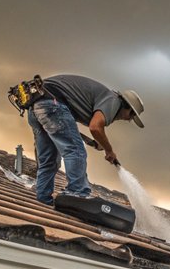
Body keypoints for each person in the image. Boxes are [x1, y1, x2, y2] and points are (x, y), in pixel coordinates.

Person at [27, 74, 144, 206]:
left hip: (36, 105)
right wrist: (109, 150)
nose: (128, 119)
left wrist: (99, 142)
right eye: (131, 116)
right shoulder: (114, 102)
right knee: (76, 151)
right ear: (127, 106)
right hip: (52, 104)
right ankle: (77, 193)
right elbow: (95, 127)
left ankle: (43, 198)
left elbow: (72, 126)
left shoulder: (102, 98)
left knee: (49, 160)